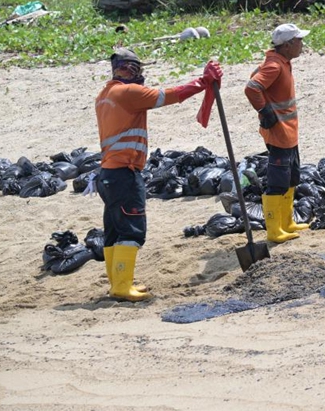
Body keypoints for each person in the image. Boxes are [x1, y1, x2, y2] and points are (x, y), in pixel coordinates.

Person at [96, 48, 222, 301]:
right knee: (132, 230)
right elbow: (169, 96)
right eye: (137, 69)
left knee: (113, 230)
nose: (140, 74)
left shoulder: (104, 94)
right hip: (124, 173)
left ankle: (118, 283)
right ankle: (122, 287)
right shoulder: (126, 92)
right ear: (127, 69)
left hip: (108, 174)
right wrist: (202, 82)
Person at [244, 23, 311, 244]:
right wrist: (264, 110)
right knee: (278, 182)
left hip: (289, 133)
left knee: (292, 177)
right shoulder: (274, 66)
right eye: (299, 40)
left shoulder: (283, 61)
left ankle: (287, 222)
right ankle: (274, 230)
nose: (302, 44)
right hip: (279, 133)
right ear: (288, 44)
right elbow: (252, 87)